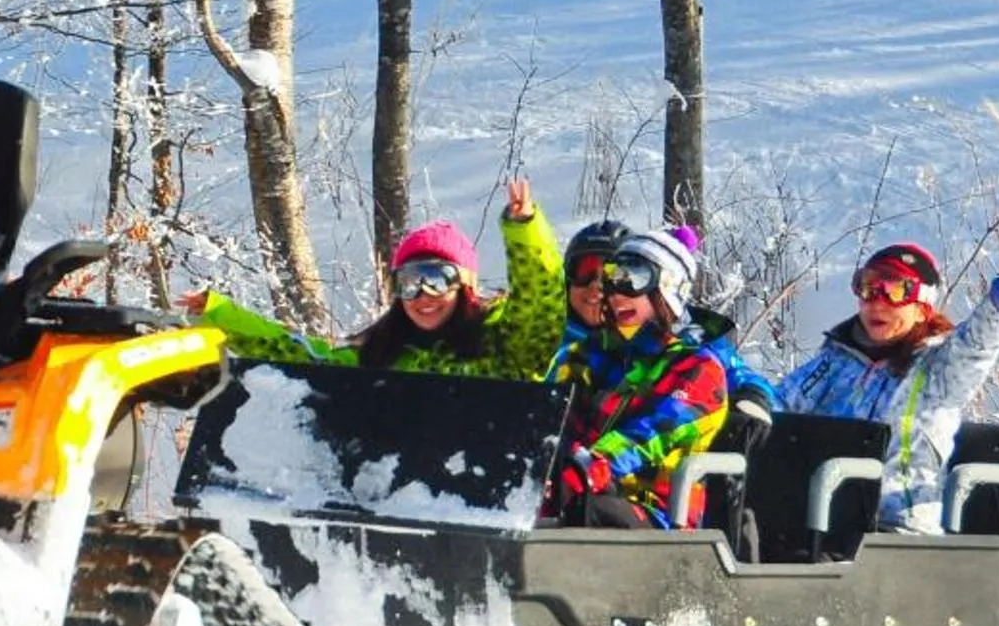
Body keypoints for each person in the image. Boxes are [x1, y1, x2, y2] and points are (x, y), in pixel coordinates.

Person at [776, 236, 999, 529]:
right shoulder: (836, 360)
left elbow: (979, 344)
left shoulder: (939, 369)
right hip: (816, 518)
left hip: (895, 529)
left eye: (895, 291)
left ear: (922, 307)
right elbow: (778, 403)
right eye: (868, 288)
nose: (876, 303)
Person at [196, 181, 564, 380]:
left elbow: (541, 304)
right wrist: (220, 315)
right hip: (403, 500)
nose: (423, 295)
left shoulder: (504, 346)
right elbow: (298, 355)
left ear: (465, 286)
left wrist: (524, 230)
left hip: (484, 501)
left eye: (436, 279)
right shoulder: (382, 354)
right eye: (408, 282)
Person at [546, 229, 730, 528]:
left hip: (658, 513)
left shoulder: (697, 368)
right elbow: (553, 415)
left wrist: (591, 467)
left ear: (668, 288)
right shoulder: (590, 354)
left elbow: (650, 434)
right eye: (613, 279)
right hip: (582, 491)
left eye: (633, 280)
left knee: (590, 514)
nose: (617, 293)